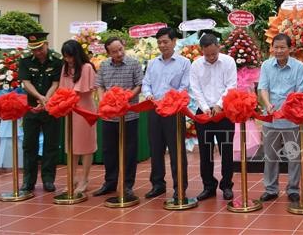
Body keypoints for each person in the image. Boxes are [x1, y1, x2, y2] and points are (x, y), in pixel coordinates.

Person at [141, 27, 191, 201]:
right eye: (160, 42)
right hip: (154, 109)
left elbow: (184, 87)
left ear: (174, 41)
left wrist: (169, 100)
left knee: (177, 150)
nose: (162, 45)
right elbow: (146, 83)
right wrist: (149, 95)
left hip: (174, 112)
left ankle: (180, 187)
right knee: (155, 148)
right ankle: (158, 184)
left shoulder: (184, 62)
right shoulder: (152, 63)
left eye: (166, 42)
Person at [258, 33, 303, 203]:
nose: (278, 51)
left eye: (282, 47)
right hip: (271, 118)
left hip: (292, 119)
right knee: (270, 156)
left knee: (294, 156)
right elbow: (263, 88)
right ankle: (271, 189)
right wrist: (268, 103)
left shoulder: (299, 67)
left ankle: (293, 189)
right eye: (275, 47)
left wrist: (287, 108)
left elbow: (300, 92)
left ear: (290, 48)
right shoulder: (266, 65)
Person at [93, 36, 143, 198]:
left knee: (129, 150)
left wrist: (125, 98)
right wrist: (103, 100)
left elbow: (139, 85)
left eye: (120, 49)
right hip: (109, 116)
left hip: (129, 115)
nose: (119, 53)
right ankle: (110, 182)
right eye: (114, 52)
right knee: (109, 150)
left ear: (124, 46)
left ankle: (128, 184)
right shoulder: (104, 65)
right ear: (109, 53)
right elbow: (99, 85)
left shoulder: (134, 63)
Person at [189, 33, 237, 201]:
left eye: (213, 54)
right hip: (203, 113)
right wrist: (205, 108)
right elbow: (195, 88)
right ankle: (208, 186)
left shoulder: (228, 62)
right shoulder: (195, 64)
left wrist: (218, 104)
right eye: (207, 54)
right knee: (206, 151)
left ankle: (226, 185)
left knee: (226, 150)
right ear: (201, 50)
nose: (210, 57)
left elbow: (231, 85)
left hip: (224, 112)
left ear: (218, 47)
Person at [19, 32, 63, 193]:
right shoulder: (25, 61)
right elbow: (26, 82)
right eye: (34, 49)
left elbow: (56, 83)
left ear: (46, 44)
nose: (37, 52)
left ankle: (48, 179)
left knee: (51, 145)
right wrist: (39, 97)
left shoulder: (58, 61)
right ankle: (28, 181)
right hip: (31, 109)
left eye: (40, 48)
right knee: (29, 145)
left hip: (51, 109)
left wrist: (46, 100)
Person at [58, 39, 97, 194]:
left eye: (71, 56)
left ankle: (84, 179)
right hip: (70, 111)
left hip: (85, 110)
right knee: (71, 146)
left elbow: (84, 90)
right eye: (66, 57)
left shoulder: (87, 67)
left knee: (86, 146)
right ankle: (72, 177)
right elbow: (62, 89)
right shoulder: (65, 68)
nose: (68, 60)